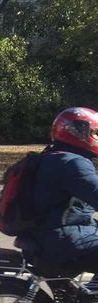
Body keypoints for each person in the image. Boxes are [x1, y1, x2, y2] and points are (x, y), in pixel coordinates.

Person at [28, 107, 98, 290]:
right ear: (79, 132)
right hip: (62, 239)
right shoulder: (73, 163)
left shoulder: (55, 156)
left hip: (53, 232)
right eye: (95, 133)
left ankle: (89, 301)